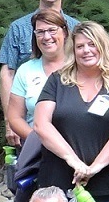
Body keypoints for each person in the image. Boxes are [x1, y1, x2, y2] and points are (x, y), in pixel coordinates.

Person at [31, 21, 109, 202]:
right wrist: (74, 161)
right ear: (73, 50)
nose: (86, 50)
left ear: (103, 46)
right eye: (80, 46)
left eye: (92, 44)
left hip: (103, 183)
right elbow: (41, 124)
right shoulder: (57, 81)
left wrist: (94, 168)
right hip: (57, 180)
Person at [0, 0, 79, 143]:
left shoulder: (76, 27)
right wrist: (9, 122)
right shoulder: (18, 28)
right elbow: (7, 73)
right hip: (28, 124)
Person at [6, 8, 72, 146]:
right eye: (40, 32)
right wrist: (38, 141)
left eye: (52, 30)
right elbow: (15, 117)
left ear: (65, 32)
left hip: (78, 147)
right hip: (38, 150)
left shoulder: (78, 67)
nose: (47, 37)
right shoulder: (25, 70)